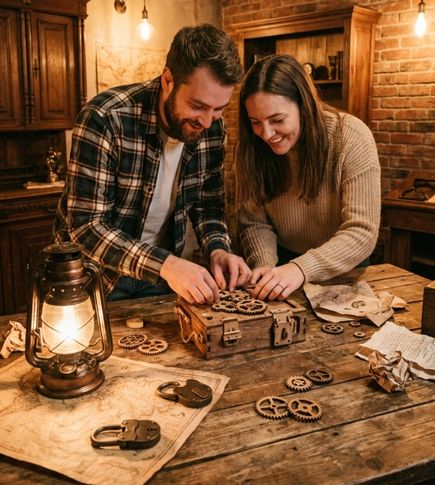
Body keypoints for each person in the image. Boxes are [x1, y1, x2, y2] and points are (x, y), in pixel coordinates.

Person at [54, 24, 251, 305]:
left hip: (158, 278)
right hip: (94, 279)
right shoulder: (106, 118)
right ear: (168, 79)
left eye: (218, 109)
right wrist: (169, 265)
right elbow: (86, 227)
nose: (207, 121)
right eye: (198, 105)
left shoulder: (213, 131)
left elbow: (208, 208)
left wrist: (218, 250)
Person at [236, 54, 381, 301]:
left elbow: (362, 231)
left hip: (344, 270)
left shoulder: (351, 137)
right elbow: (254, 221)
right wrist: (263, 264)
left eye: (277, 120)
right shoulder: (250, 147)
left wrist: (302, 268)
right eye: (255, 122)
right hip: (282, 269)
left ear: (304, 105)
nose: (267, 133)